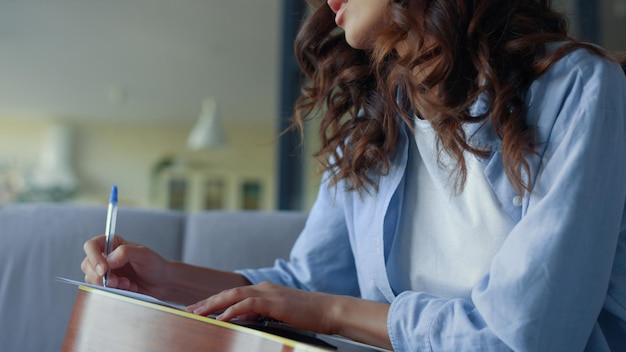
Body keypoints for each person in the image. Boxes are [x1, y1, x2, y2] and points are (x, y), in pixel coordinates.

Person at [82, 0, 626, 350]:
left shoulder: (579, 89)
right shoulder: (373, 129)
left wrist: (335, 314)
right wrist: (165, 280)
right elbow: (302, 286)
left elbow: (528, 336)